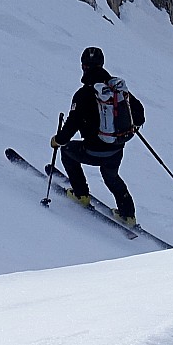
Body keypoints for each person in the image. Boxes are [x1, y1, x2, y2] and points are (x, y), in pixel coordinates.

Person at [51, 46, 146, 224]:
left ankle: (81, 195)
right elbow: (139, 113)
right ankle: (128, 215)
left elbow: (72, 125)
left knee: (67, 151)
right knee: (111, 176)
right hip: (116, 149)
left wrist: (58, 141)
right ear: (102, 64)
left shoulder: (83, 94)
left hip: (93, 150)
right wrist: (132, 126)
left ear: (83, 66)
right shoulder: (117, 90)